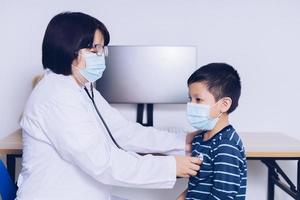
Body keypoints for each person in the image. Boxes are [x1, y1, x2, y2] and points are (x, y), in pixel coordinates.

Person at [16, 12, 201, 200]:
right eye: (94, 49)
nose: (101, 56)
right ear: (70, 50)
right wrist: (171, 167)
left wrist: (182, 141)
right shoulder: (56, 96)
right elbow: (102, 163)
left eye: (102, 49)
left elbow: (123, 132)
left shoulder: (82, 88)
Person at [177, 63, 247, 200]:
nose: (191, 105)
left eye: (198, 99)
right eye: (190, 99)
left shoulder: (226, 146)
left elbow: (222, 196)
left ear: (224, 104)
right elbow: (198, 184)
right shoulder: (200, 139)